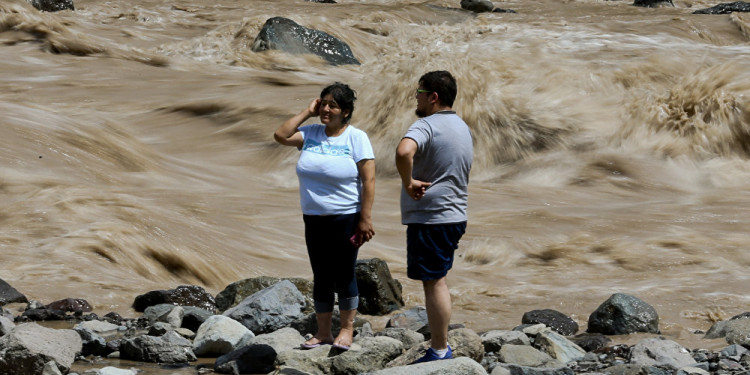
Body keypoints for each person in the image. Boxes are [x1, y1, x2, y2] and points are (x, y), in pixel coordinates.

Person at [274, 82, 375, 350]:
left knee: (344, 274)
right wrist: (307, 112)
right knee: (320, 274)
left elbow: (369, 180)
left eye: (333, 105)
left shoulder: (356, 137)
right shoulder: (310, 133)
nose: (326, 109)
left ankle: (347, 330)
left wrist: (365, 219)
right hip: (314, 216)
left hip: (345, 217)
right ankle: (322, 332)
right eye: (323, 103)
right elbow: (280, 135)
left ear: (346, 111)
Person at [395, 71, 473, 363]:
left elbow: (403, 152)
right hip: (455, 214)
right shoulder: (462, 127)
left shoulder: (426, 125)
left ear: (433, 97)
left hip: (432, 217)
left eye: (419, 91)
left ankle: (440, 349)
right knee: (437, 278)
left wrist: (408, 182)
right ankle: (440, 344)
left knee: (434, 281)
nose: (416, 97)